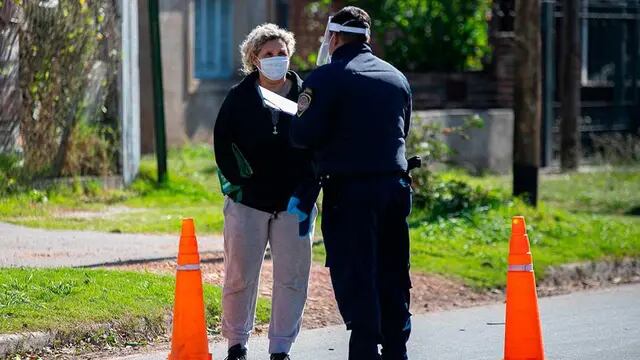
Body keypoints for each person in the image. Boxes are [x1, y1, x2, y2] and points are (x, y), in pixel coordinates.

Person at [290, 6, 415, 360]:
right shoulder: (396, 78)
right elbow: (403, 130)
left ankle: (364, 349)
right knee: (392, 269)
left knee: (355, 270)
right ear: (368, 38)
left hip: (350, 193)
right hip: (394, 189)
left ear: (334, 36)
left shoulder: (326, 77)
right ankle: (396, 347)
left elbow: (301, 134)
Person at [214, 23, 316, 360]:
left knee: (292, 278)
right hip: (248, 204)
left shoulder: (307, 96)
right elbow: (223, 144)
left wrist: (309, 188)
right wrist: (239, 183)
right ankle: (236, 344)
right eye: (268, 54)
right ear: (254, 59)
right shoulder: (239, 98)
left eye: (281, 53)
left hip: (295, 204)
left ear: (290, 55)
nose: (275, 59)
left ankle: (281, 349)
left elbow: (319, 144)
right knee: (239, 277)